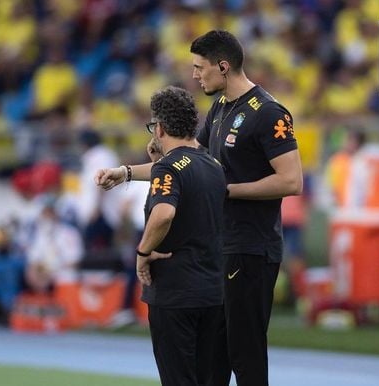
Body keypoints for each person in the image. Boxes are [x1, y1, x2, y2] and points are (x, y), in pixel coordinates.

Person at [95, 30, 303, 386]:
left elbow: (291, 181)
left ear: (223, 66)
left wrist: (228, 190)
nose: (195, 75)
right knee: (214, 360)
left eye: (199, 67)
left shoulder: (268, 113)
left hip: (252, 248)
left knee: (246, 353)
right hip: (221, 248)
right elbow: (188, 162)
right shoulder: (220, 108)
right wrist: (127, 172)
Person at [101, 85, 226, 386]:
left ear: (159, 128)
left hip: (176, 292)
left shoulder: (168, 169)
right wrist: (128, 172)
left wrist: (143, 253)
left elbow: (164, 213)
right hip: (214, 292)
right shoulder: (213, 164)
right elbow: (181, 168)